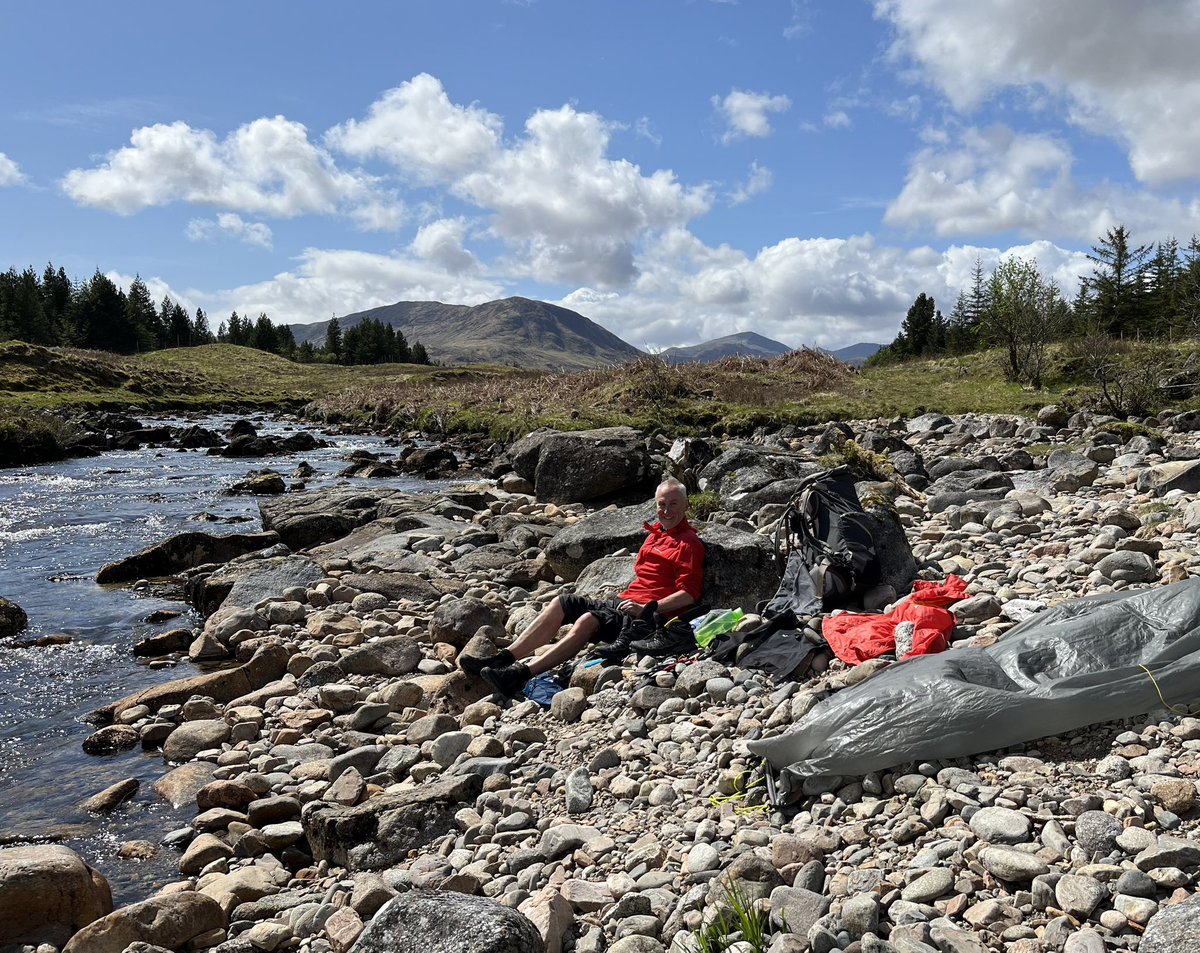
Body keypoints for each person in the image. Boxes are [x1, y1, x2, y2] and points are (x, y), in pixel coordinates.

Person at [459, 477, 705, 697]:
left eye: (673, 504)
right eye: (662, 504)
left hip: (644, 616)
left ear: (685, 506)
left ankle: (519, 675)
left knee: (588, 619)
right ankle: (503, 659)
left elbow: (689, 595)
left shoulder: (689, 543)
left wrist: (646, 608)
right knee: (562, 602)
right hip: (623, 603)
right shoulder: (654, 535)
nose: (666, 510)